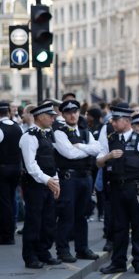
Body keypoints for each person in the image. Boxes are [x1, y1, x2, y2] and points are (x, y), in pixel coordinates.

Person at [97, 102, 139, 275]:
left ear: (126, 121)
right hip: (116, 189)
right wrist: (108, 156)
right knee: (119, 227)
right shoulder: (111, 140)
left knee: (138, 226)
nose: (112, 123)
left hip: (136, 189)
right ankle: (118, 262)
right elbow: (98, 162)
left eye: (116, 120)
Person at [52, 99, 100, 261]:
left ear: (79, 113)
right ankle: (63, 250)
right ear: (63, 115)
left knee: (82, 215)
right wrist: (87, 149)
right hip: (69, 178)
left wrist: (80, 147)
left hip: (85, 177)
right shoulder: (59, 131)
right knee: (66, 215)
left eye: (75, 112)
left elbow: (97, 149)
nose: (72, 116)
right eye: (68, 113)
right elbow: (69, 154)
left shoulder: (85, 131)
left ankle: (82, 248)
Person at [19, 102, 62, 269]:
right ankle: (30, 256)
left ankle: (43, 252)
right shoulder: (29, 137)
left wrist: (55, 181)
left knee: (48, 221)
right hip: (34, 185)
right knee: (34, 221)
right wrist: (48, 180)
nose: (53, 119)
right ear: (40, 117)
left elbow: (51, 162)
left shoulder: (47, 135)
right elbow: (31, 165)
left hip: (48, 183)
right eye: (50, 116)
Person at [0, 101, 22, 245]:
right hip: (16, 168)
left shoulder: (0, 128)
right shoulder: (17, 127)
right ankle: (10, 229)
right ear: (8, 112)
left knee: (4, 202)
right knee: (11, 200)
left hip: (2, 169)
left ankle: (6, 235)